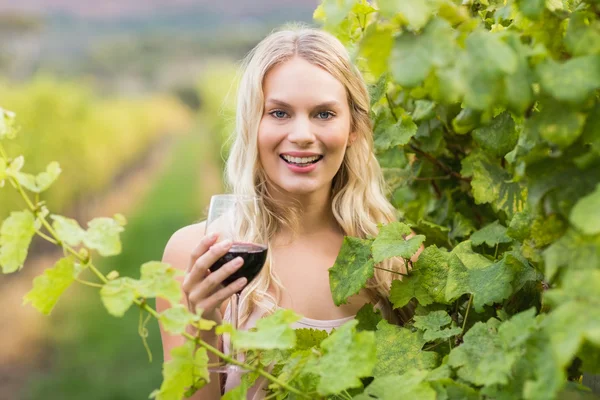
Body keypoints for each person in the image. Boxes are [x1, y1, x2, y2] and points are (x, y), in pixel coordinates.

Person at [157, 22, 422, 400]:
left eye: (324, 114)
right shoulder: (195, 254)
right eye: (279, 113)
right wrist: (201, 321)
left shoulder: (395, 257)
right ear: (253, 124)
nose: (301, 134)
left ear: (354, 129)